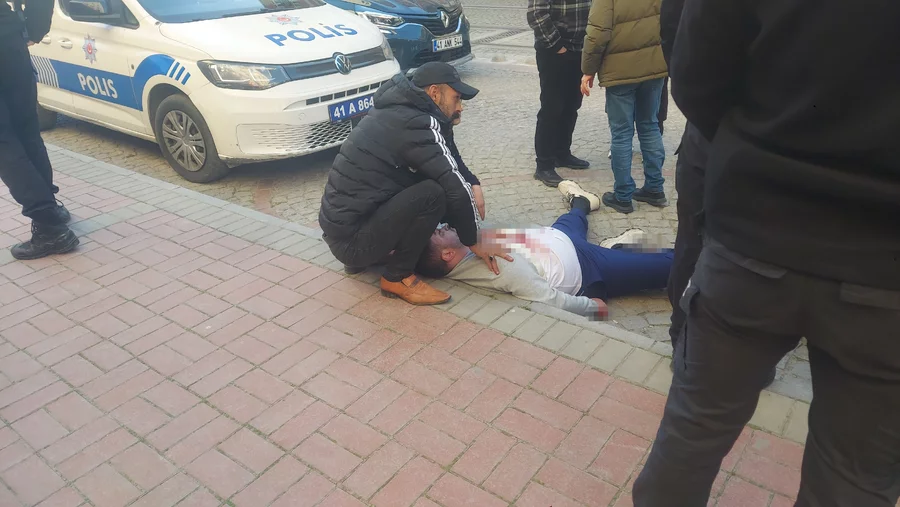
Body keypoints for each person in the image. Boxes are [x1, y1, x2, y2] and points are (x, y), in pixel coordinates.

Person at [632, 0, 900, 505]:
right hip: (881, 270)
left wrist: (753, 148)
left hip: (754, 232)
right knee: (854, 478)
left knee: (692, 435)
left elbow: (696, 73)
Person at [319, 62, 509, 306]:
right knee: (434, 193)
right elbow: (452, 183)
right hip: (352, 242)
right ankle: (397, 276)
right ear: (434, 93)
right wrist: (475, 241)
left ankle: (367, 258)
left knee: (431, 182)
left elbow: (449, 158)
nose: (460, 107)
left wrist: (474, 184)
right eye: (457, 98)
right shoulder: (415, 122)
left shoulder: (404, 111)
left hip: (344, 233)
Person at [416, 180, 673, 317]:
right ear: (447, 254)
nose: (445, 226)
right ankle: (617, 249)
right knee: (669, 265)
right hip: (589, 267)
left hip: (557, 236)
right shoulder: (497, 267)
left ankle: (582, 203)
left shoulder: (469, 244)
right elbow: (547, 298)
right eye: (440, 233)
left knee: (575, 216)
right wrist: (592, 308)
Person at [0, 0, 78, 260]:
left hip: (9, 35)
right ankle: (50, 211)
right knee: (26, 130)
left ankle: (50, 227)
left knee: (5, 144)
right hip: (9, 39)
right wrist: (34, 28)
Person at [580, 0, 668, 215]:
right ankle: (655, 188)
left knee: (622, 133)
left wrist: (588, 69)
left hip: (620, 71)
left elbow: (597, 33)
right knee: (650, 126)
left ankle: (623, 195)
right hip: (654, 65)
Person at [527, 0, 592, 188]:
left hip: (580, 49)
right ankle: (544, 164)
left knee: (572, 105)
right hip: (554, 50)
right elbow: (536, 13)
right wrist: (558, 47)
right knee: (552, 107)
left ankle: (562, 153)